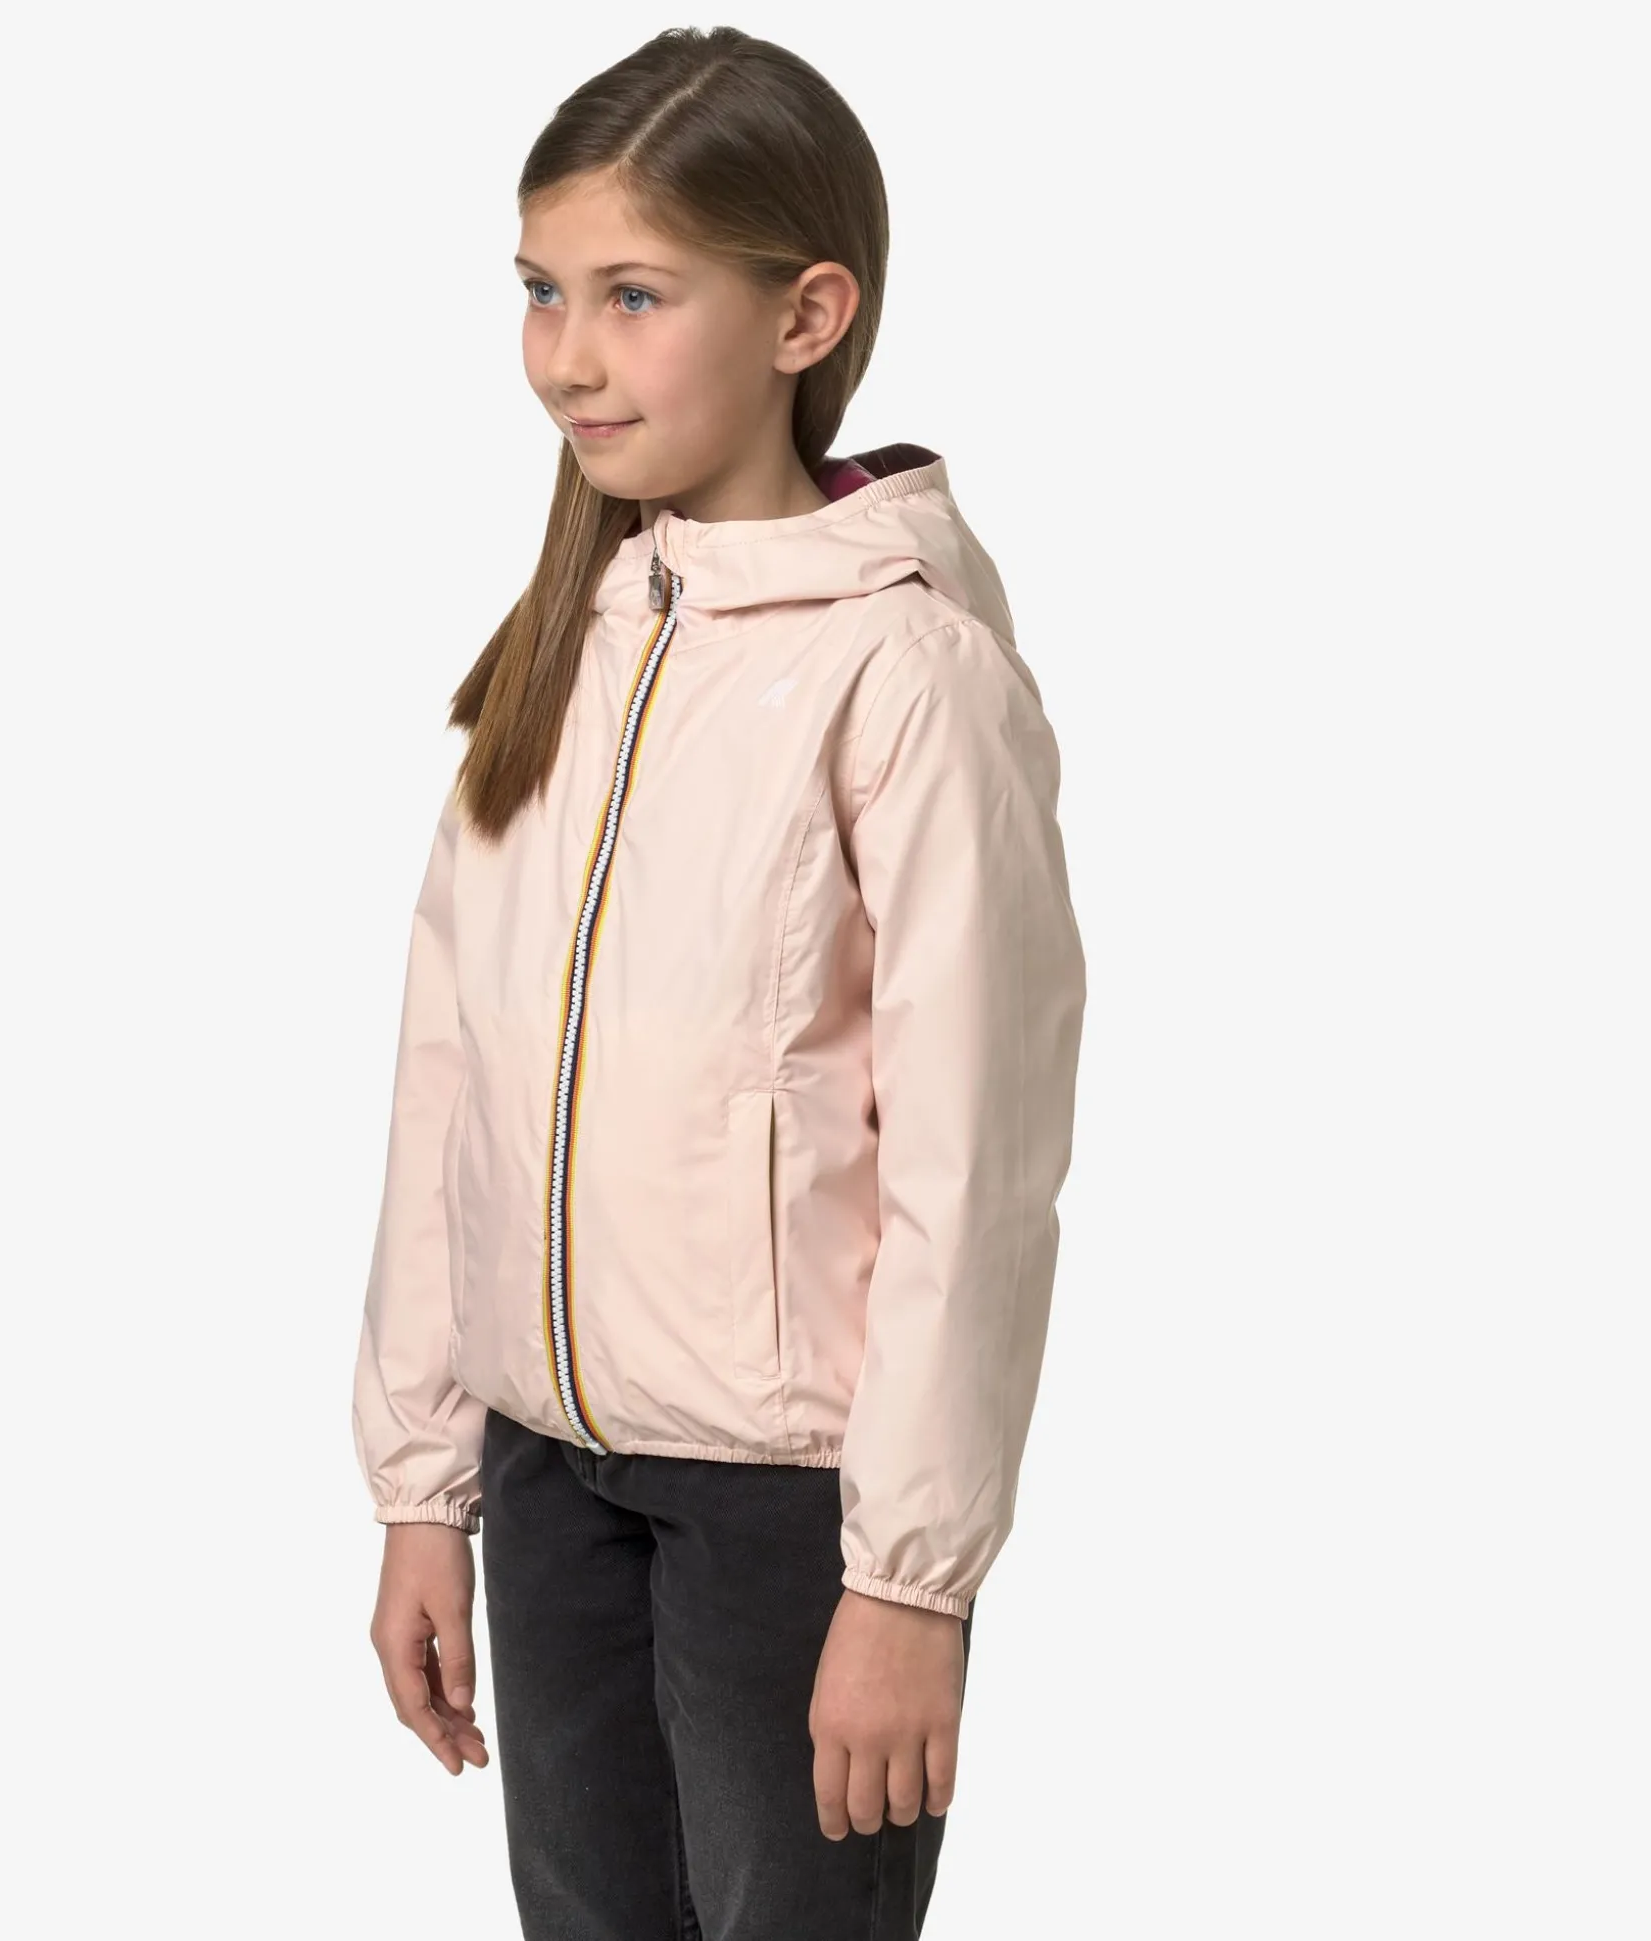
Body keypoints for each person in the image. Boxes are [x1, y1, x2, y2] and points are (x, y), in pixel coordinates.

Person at [351, 25, 1086, 1939]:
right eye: (540, 291)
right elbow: (453, 1083)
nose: (565, 355)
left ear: (804, 315)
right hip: (547, 1473)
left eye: (632, 294)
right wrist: (425, 1484)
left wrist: (909, 1582)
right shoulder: (564, 644)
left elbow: (974, 1168)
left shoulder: (903, 674)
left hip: (791, 1506)